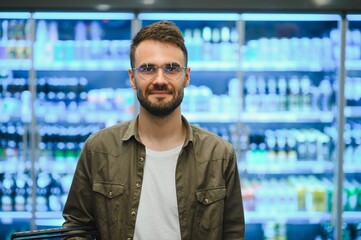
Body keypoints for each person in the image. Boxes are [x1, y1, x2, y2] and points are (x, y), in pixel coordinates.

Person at [62, 20, 245, 240]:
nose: (160, 80)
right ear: (132, 78)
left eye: (172, 68)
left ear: (186, 77)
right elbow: (76, 228)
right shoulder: (99, 149)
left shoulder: (219, 155)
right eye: (148, 69)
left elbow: (233, 234)